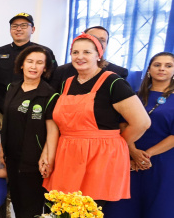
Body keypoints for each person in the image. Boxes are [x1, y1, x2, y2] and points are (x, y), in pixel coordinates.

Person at [42, 33, 150, 204]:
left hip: (100, 158)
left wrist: (117, 144)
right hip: (67, 155)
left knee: (89, 216)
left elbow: (142, 123)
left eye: (87, 52)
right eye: (75, 52)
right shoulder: (67, 83)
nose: (80, 57)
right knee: (63, 211)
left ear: (99, 55)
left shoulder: (114, 82)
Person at [103, 52, 174, 218]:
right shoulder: (134, 95)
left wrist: (147, 154)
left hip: (162, 163)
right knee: (124, 207)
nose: (162, 68)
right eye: (157, 64)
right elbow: (122, 123)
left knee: (156, 209)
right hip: (130, 157)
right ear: (149, 69)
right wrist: (133, 151)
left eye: (168, 65)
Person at [1, 45, 58, 218]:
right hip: (11, 157)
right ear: (21, 65)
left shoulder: (49, 94)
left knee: (32, 206)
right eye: (30, 62)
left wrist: (48, 156)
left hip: (34, 160)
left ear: (45, 68)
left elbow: (52, 130)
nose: (34, 66)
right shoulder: (13, 87)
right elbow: (7, 120)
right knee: (17, 201)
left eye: (39, 63)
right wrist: (2, 147)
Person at [0, 13, 57, 115]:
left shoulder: (44, 52)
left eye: (24, 25)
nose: (18, 29)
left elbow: (53, 80)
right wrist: (3, 105)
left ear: (33, 29)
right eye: (14, 26)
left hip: (35, 110)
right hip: (2, 110)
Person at [50, 26, 129, 91]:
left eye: (102, 40)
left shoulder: (117, 75)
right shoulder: (61, 71)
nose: (97, 42)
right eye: (92, 38)